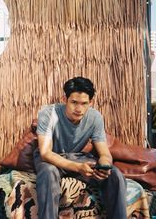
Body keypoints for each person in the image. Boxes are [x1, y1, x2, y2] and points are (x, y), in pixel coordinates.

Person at [34, 76, 126, 218]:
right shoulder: (48, 113)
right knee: (48, 172)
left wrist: (104, 166)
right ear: (64, 99)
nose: (78, 109)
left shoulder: (95, 117)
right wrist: (78, 168)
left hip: (77, 157)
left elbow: (105, 154)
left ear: (90, 102)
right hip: (51, 159)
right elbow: (45, 153)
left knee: (115, 175)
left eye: (84, 103)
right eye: (74, 102)